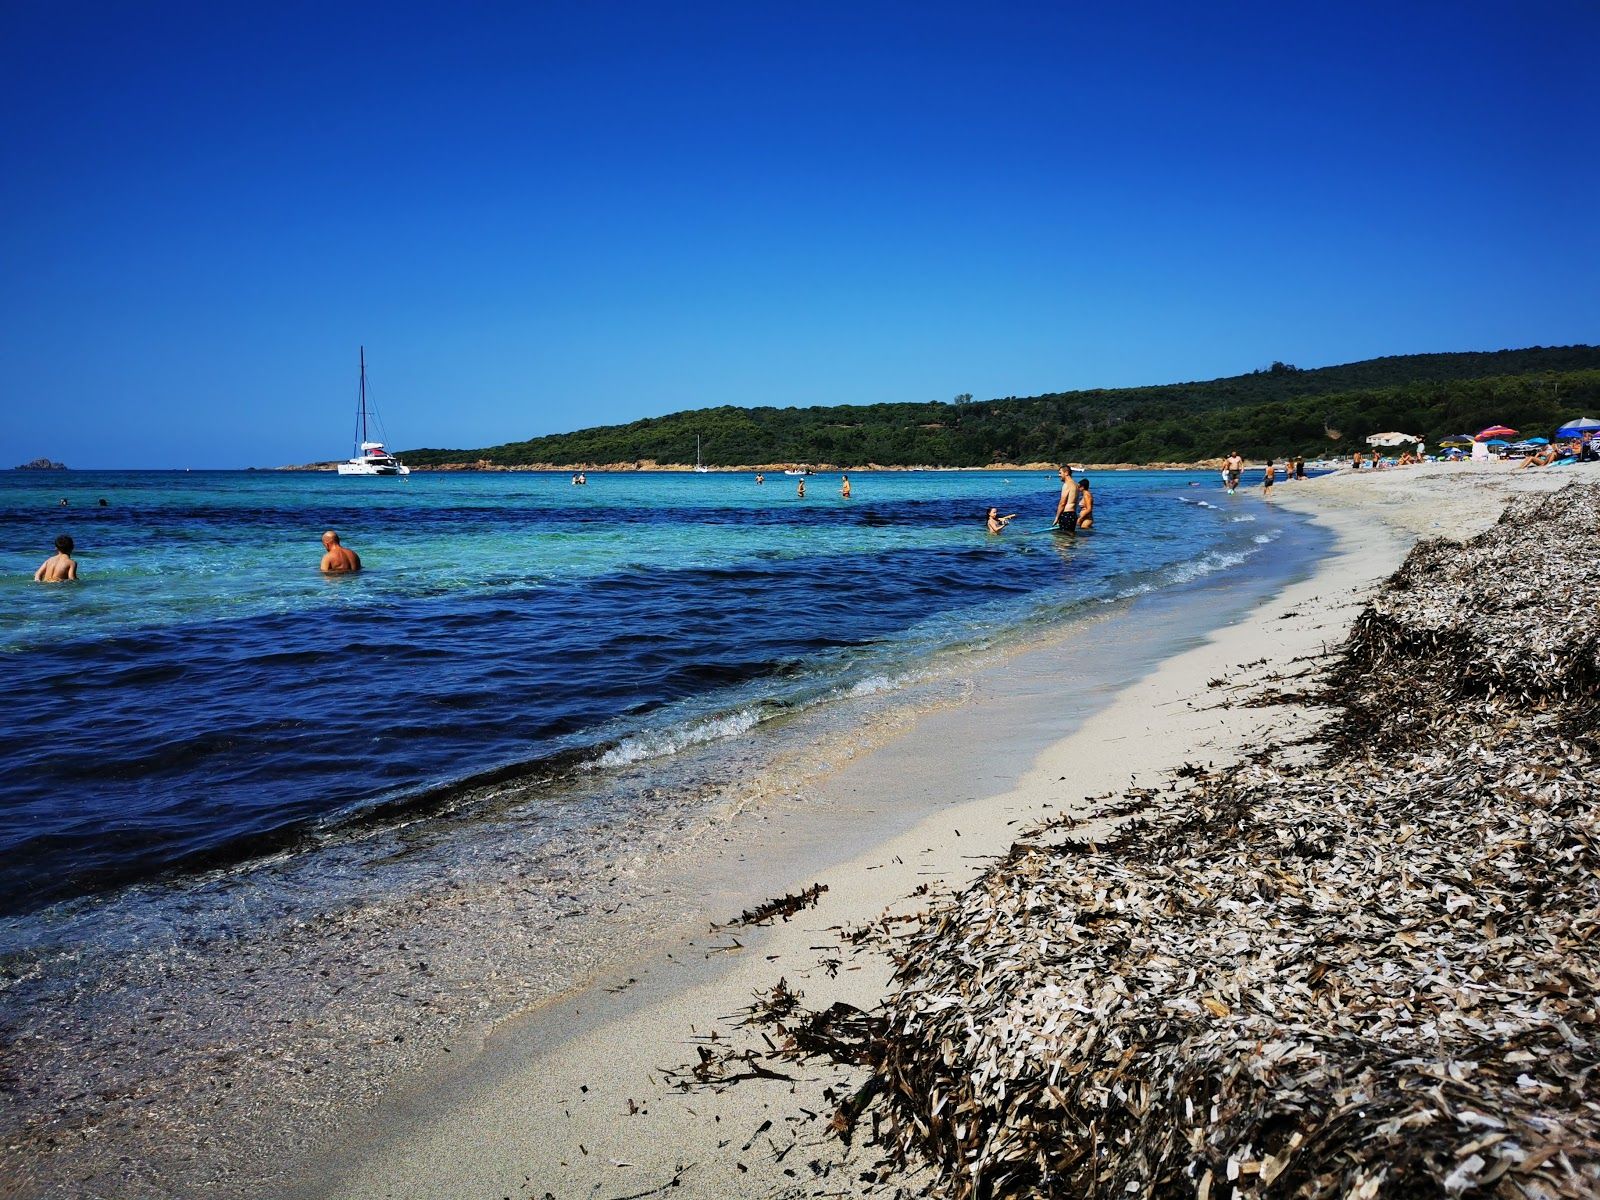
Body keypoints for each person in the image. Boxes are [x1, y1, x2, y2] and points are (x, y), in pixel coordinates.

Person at [1052, 465, 1079, 533]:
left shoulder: (1066, 485)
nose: (1059, 475)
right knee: (1070, 537)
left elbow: (1062, 503)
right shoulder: (1076, 485)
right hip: (1073, 515)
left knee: (1063, 540)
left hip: (1066, 515)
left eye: (1060, 473)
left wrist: (1057, 517)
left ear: (1066, 473)